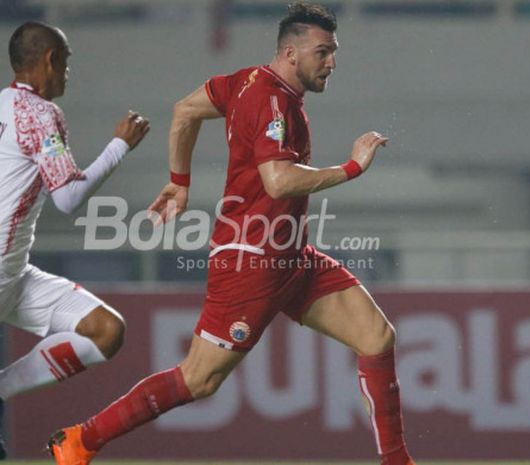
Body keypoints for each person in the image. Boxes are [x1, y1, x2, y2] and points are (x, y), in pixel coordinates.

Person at [47, 3, 415, 465]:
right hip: (251, 262)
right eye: (323, 52)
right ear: (290, 52)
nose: (332, 62)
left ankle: (397, 461)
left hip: (289, 255)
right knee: (198, 380)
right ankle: (81, 440)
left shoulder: (245, 82)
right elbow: (278, 180)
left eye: (334, 52)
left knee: (377, 337)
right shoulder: (272, 101)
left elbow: (185, 111)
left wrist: (179, 183)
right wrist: (352, 167)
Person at [0, 22, 149, 459]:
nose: (68, 72)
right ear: (49, 59)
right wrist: (119, 145)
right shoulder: (39, 113)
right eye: (66, 61)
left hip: (13, 274)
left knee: (106, 331)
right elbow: (68, 197)